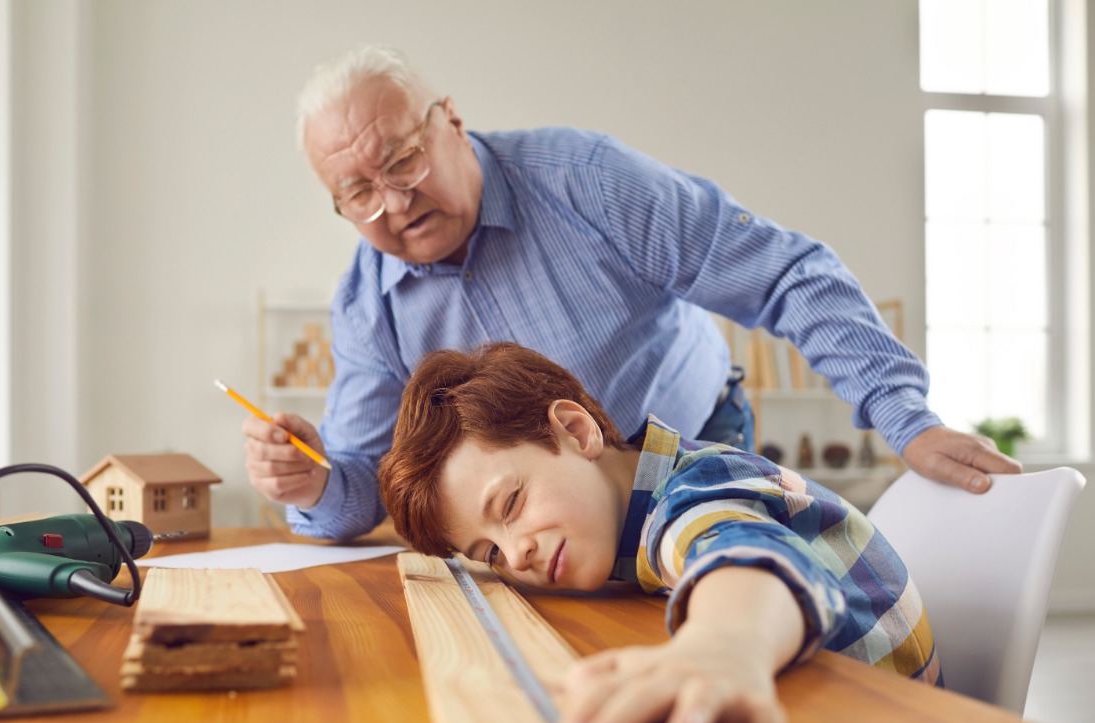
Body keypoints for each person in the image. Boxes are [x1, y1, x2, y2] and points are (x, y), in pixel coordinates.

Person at [242, 45, 1020, 542]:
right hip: (530, 529)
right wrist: (312, 484)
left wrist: (904, 419)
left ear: (449, 121)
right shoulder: (365, 304)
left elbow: (785, 272)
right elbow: (365, 487)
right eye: (358, 194)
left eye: (403, 162)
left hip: (690, 453)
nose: (395, 203)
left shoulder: (583, 182)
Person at [376, 341, 940, 723]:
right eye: (489, 551)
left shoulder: (691, 495)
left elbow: (742, 553)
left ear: (576, 431)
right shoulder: (630, 513)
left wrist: (721, 650)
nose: (516, 551)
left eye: (513, 503)